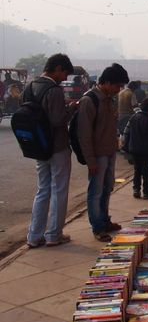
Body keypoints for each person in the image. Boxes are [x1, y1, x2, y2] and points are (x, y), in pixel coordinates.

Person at [23, 53, 76, 248]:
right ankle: (54, 234)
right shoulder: (53, 91)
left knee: (43, 189)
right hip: (57, 145)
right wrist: (71, 108)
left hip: (38, 146)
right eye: (65, 74)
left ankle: (34, 235)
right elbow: (58, 120)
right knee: (59, 189)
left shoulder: (29, 87)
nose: (64, 79)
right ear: (58, 69)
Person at [77, 63, 130, 242]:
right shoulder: (89, 100)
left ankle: (105, 220)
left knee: (107, 188)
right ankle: (98, 227)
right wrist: (90, 160)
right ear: (106, 82)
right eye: (117, 86)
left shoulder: (110, 99)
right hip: (97, 154)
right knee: (96, 191)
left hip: (109, 151)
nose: (119, 89)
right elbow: (84, 134)